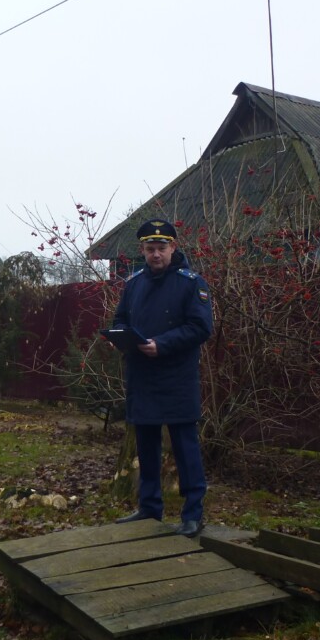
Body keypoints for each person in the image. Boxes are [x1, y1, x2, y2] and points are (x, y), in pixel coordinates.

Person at [110, 219, 213, 538]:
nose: (156, 254)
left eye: (162, 248)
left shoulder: (191, 283)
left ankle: (193, 514)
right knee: (147, 445)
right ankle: (149, 508)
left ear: (173, 247)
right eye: (150, 249)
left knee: (185, 448)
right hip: (142, 376)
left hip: (176, 378)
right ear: (142, 250)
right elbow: (120, 320)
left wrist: (162, 345)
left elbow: (200, 328)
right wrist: (118, 337)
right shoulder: (134, 284)